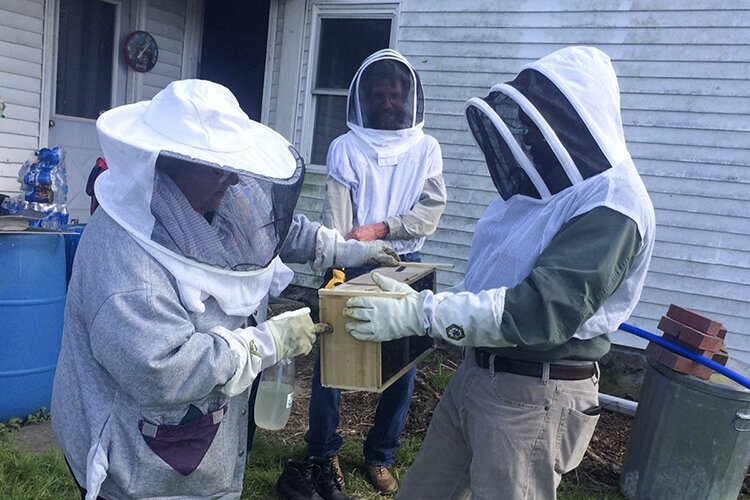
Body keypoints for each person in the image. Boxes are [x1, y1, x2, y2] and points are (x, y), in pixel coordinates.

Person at [50, 79, 399, 500]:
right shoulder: (127, 268)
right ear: (170, 163)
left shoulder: (208, 196)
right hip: (134, 458)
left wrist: (350, 250)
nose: (232, 180)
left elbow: (270, 231)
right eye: (218, 168)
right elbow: (162, 371)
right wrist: (263, 344)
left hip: (205, 423)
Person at [342, 46, 656, 499]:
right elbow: (496, 282)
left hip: (536, 397)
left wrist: (422, 314)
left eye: (541, 120)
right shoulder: (545, 189)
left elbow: (539, 310)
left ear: (579, 120)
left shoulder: (614, 204)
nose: (528, 136)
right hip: (477, 375)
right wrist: (426, 304)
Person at [276, 49, 446, 498]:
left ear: (408, 97)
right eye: (380, 93)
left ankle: (380, 455)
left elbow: (429, 212)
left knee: (402, 361)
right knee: (332, 362)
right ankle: (322, 448)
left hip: (407, 264)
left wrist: (386, 228)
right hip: (351, 262)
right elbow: (337, 222)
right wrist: (349, 254)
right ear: (365, 98)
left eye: (395, 93)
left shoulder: (426, 148)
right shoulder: (346, 148)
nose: (388, 101)